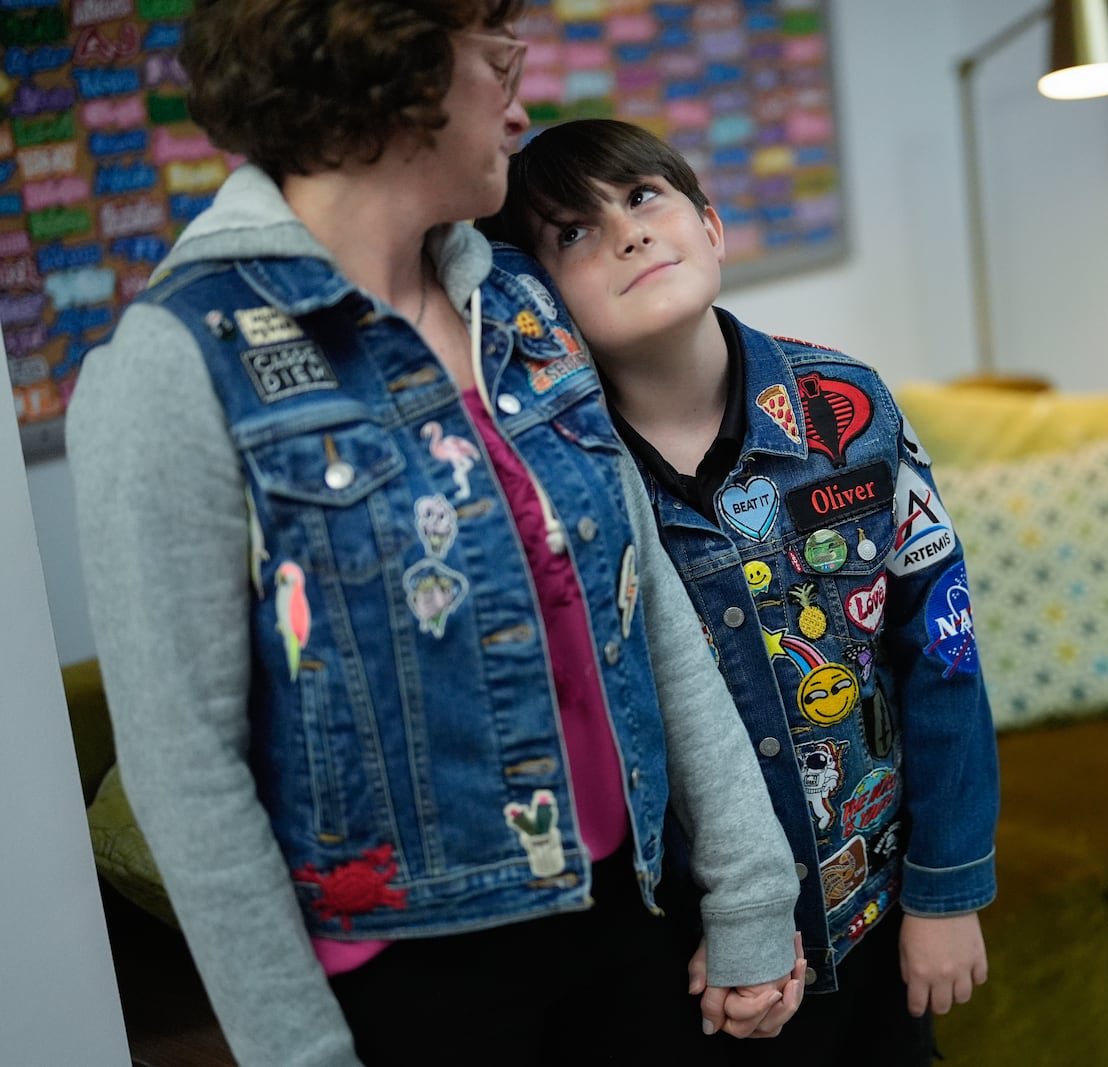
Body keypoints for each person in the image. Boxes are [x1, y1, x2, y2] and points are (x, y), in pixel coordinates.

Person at [67, 7, 804, 1065]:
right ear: (390, 75)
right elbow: (187, 768)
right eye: (500, 65)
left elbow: (652, 618)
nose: (523, 104)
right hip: (417, 983)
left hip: (630, 913)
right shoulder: (176, 362)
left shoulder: (517, 300)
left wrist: (749, 888)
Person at [479, 118, 1001, 1065]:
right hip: (696, 961)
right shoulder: (567, 480)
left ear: (710, 226)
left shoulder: (848, 408)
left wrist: (949, 886)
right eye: (574, 232)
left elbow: (944, 653)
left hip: (874, 911)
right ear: (541, 303)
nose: (628, 233)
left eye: (642, 197)